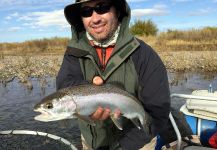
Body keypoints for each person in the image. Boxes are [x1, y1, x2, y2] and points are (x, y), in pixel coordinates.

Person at [56, 0, 171, 149]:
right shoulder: (73, 53)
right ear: (81, 18)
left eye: (102, 7)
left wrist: (125, 146)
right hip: (91, 144)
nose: (95, 18)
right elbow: (64, 85)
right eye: (86, 11)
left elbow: (158, 111)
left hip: (137, 145)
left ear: (117, 11)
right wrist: (88, 87)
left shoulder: (144, 55)